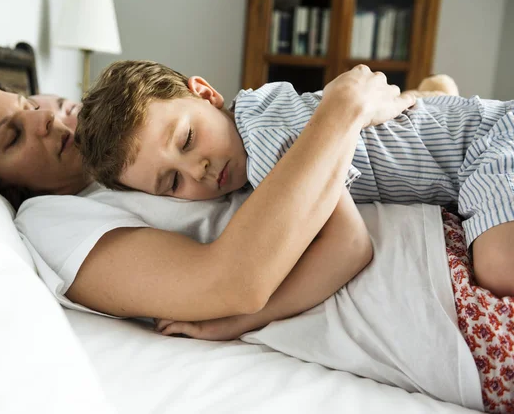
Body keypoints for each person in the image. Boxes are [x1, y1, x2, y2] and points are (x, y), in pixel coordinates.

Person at [0, 68, 511, 411]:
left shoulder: (148, 150)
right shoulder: (50, 220)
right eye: (12, 135)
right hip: (444, 304)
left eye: (27, 103)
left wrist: (375, 107)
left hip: (454, 226)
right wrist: (343, 110)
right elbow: (232, 282)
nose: (44, 118)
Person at [76, 60, 514, 300]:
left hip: (490, 139)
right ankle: (431, 93)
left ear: (207, 94)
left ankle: (432, 94)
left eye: (188, 139)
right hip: (464, 143)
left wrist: (241, 321)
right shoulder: (254, 110)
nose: (198, 171)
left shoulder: (268, 145)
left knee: (497, 266)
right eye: (172, 183)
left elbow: (349, 248)